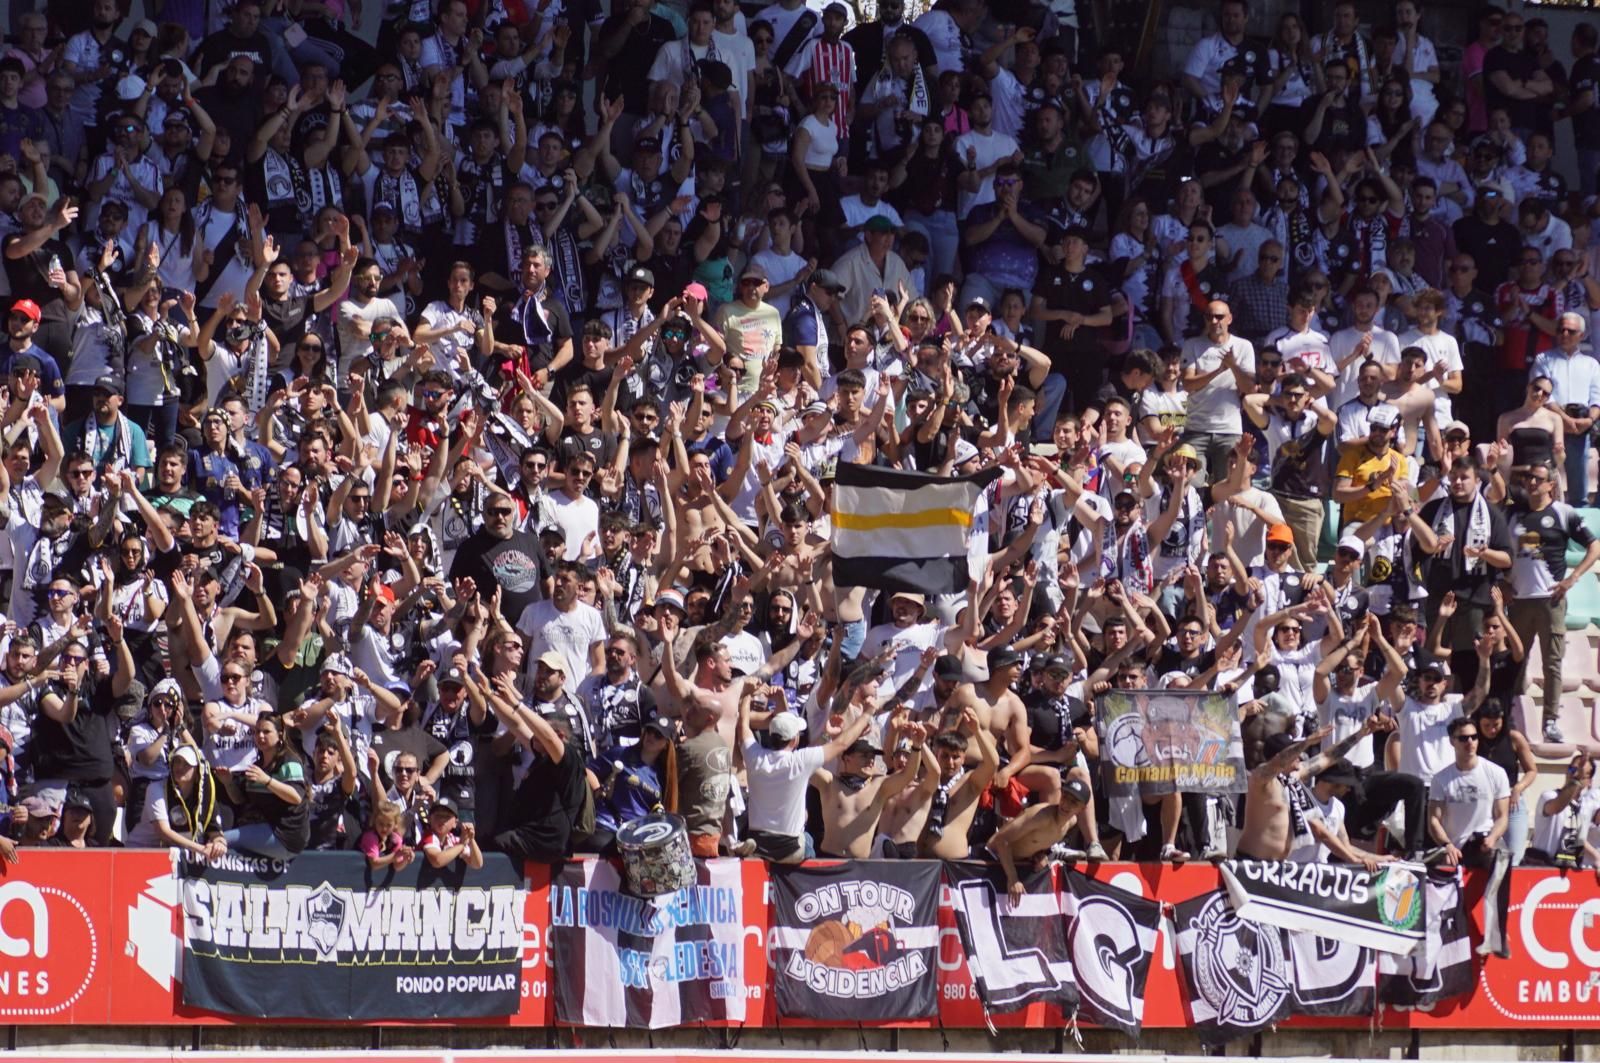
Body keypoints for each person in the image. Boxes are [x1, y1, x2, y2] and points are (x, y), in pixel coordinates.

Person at [1428, 715, 1510, 868]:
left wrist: (1492, 838)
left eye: (1474, 737)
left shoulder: (1496, 773)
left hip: (1485, 842)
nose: (1470, 742)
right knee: (1445, 863)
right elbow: (1434, 820)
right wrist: (1447, 845)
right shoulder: (1441, 779)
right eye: (1464, 738)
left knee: (1501, 857)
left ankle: (1492, 893)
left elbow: (1502, 816)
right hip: (1455, 846)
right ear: (1453, 741)